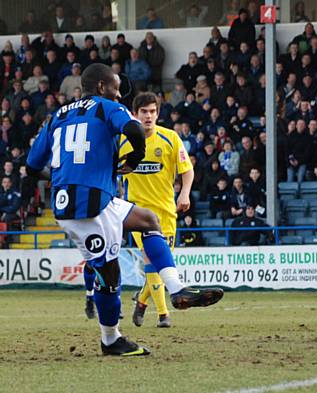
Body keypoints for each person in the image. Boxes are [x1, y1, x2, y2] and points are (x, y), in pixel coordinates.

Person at [26, 63, 223, 357]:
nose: (119, 97)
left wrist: (62, 178)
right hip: (89, 206)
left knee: (148, 219)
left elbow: (31, 166)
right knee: (110, 273)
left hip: (82, 198)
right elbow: (132, 128)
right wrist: (137, 156)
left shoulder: (58, 115)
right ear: (103, 88)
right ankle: (110, 340)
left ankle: (177, 288)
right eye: (116, 90)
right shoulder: (106, 107)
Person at [119, 92, 196, 329]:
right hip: (138, 214)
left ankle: (142, 301)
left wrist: (184, 193)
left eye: (152, 111)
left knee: (162, 265)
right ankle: (164, 314)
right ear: (135, 114)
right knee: (151, 259)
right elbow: (113, 171)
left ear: (158, 113)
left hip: (166, 212)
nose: (149, 116)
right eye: (144, 112)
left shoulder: (170, 138)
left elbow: (187, 170)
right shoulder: (124, 141)